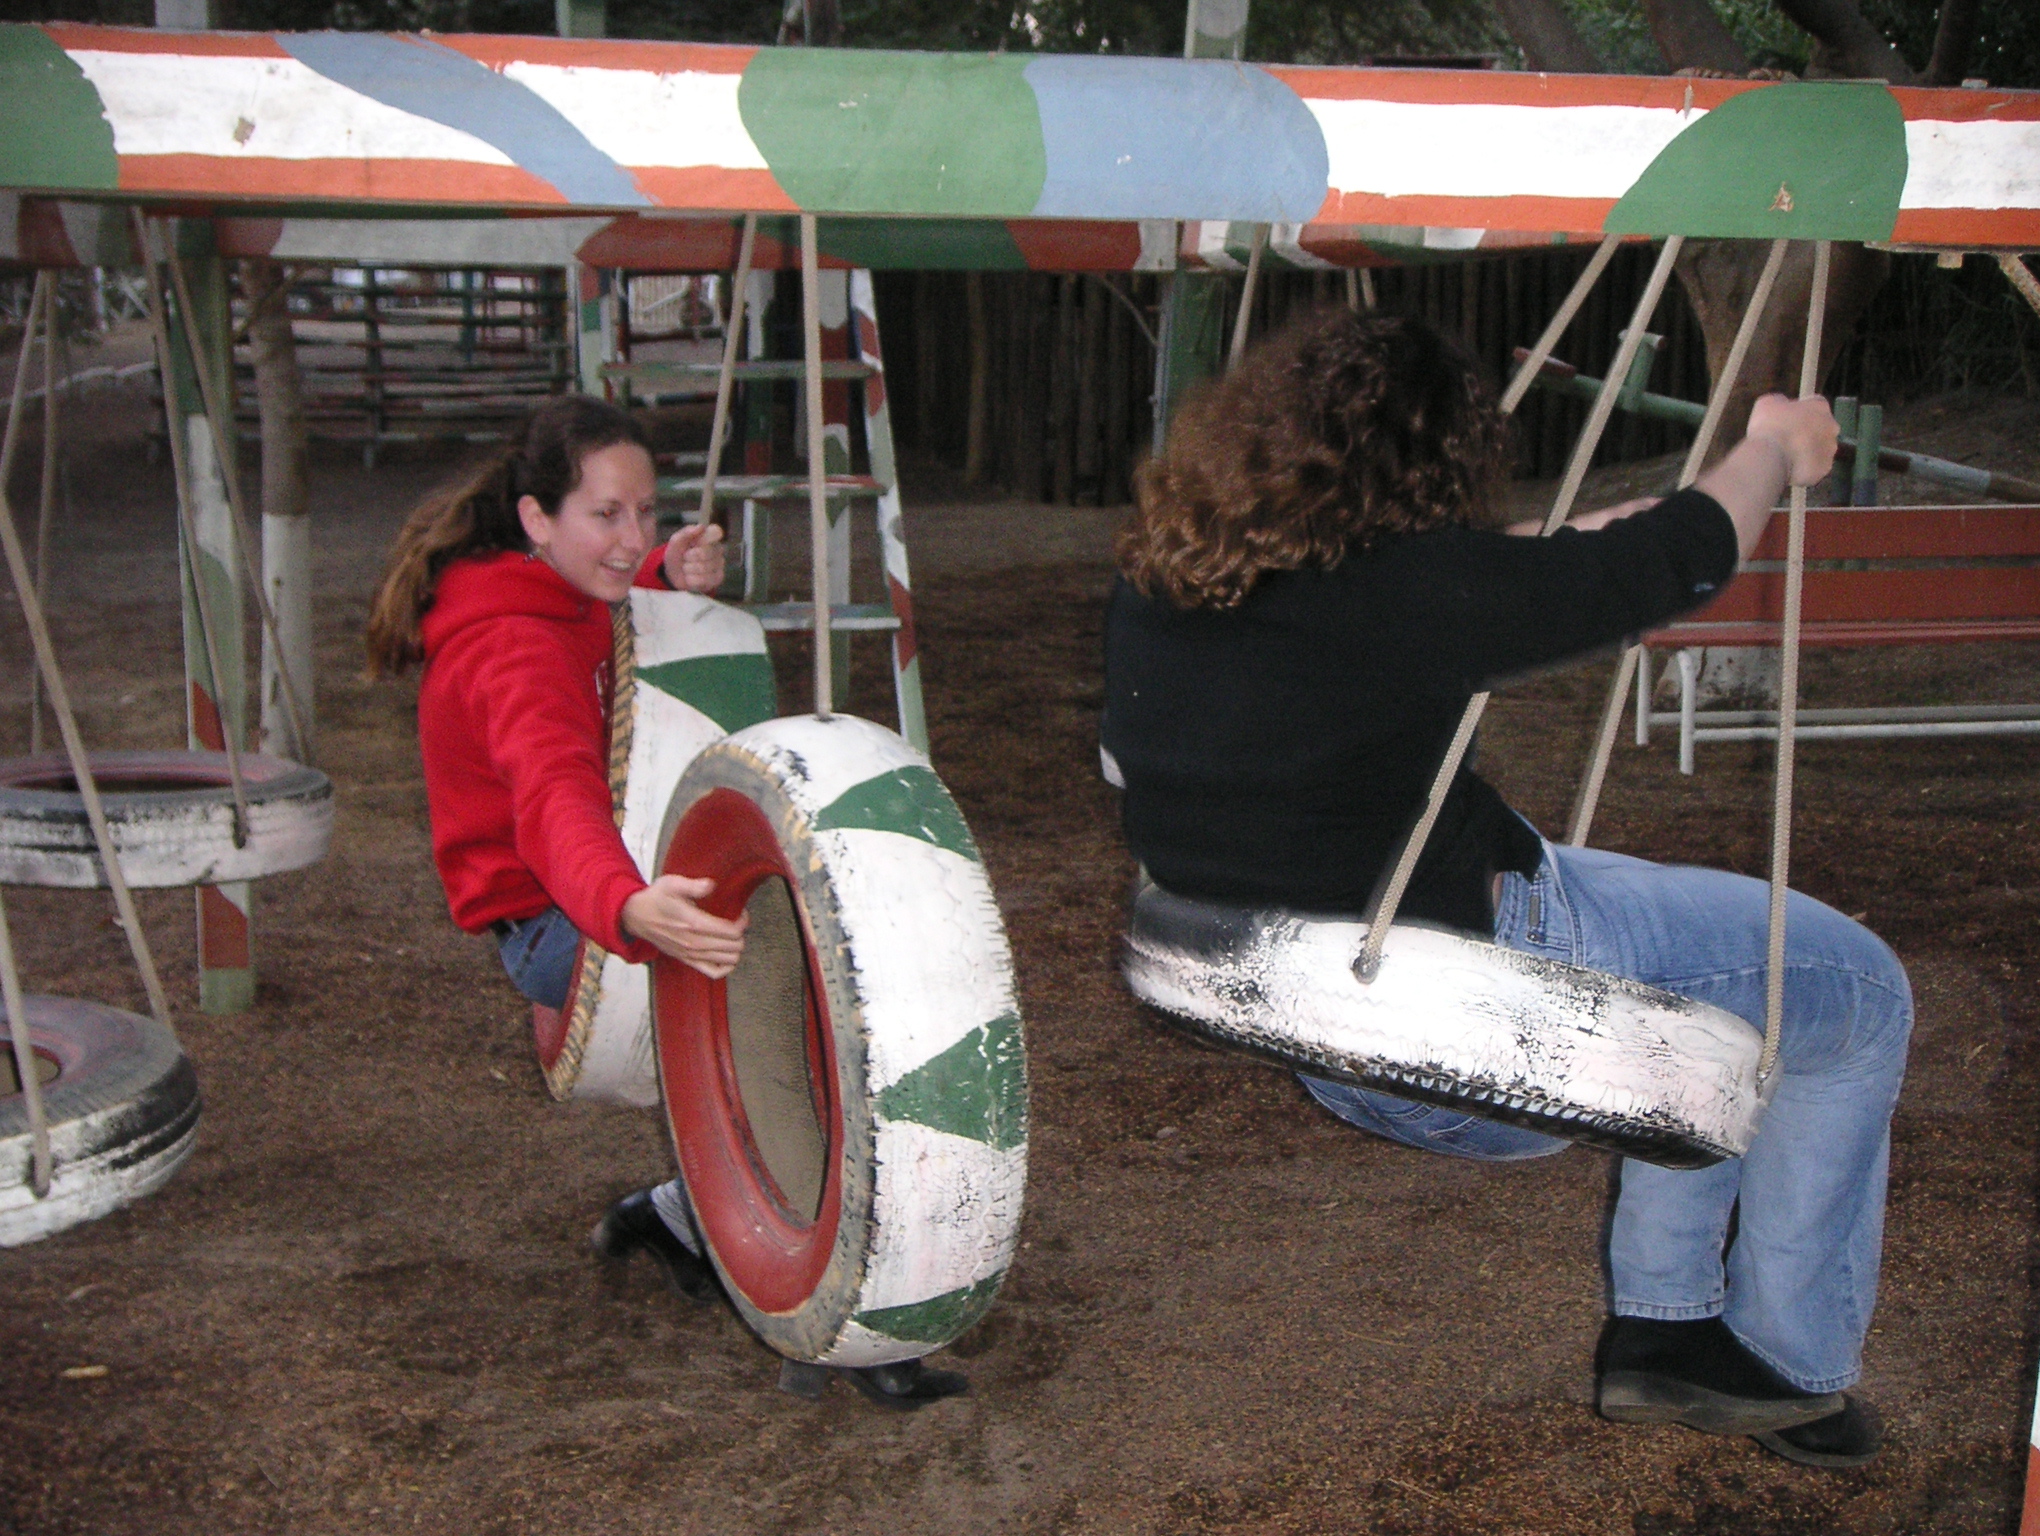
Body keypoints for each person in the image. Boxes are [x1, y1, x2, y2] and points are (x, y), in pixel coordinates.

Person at [1100, 310, 1911, 1470]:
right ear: (1434, 455)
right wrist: (1773, 450)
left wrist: (1585, 533)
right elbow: (1678, 556)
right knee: (1853, 991)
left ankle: (1667, 1335)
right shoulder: (1406, 597)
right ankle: (1776, 1355)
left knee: (1718, 969)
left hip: (1323, 1035)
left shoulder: (1169, 586)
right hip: (1489, 1024)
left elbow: (1539, 563)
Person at [365, 397, 964, 1411]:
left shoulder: (559, 590)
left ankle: (684, 1218)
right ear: (535, 518)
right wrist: (627, 908)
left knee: (812, 958)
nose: (633, 536)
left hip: (607, 876)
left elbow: (606, 625)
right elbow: (554, 798)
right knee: (774, 994)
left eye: (647, 512)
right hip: (557, 921)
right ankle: (823, 1313)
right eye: (608, 516)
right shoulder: (509, 648)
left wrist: (655, 578)